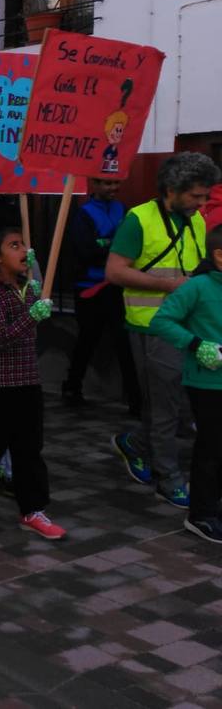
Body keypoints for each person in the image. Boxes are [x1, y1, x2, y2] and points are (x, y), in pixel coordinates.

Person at [108, 152, 220, 508]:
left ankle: (136, 444)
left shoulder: (196, 220)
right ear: (172, 189)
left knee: (182, 405)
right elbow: (114, 272)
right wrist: (170, 287)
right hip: (151, 328)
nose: (203, 204)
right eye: (197, 196)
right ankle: (168, 477)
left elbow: (197, 267)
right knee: (166, 406)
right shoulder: (138, 219)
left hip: (188, 329)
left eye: (206, 196)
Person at [0, 228, 66, 540]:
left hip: (28, 382)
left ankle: (33, 509)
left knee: (30, 450)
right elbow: (0, 337)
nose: (23, 250)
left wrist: (35, 293)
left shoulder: (27, 287)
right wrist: (31, 316)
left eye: (23, 244)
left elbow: (33, 320)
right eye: (14, 246)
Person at [149, 224, 222, 542]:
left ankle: (213, 504)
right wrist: (197, 345)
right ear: (219, 256)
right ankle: (201, 515)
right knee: (211, 448)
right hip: (207, 383)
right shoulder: (198, 286)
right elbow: (161, 321)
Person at [62, 178, 140, 410]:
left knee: (124, 343)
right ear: (93, 185)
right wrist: (115, 246)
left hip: (116, 286)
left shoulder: (123, 210)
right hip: (89, 288)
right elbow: (85, 251)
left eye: (116, 183)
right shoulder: (83, 214)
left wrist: (105, 244)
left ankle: (135, 399)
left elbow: (132, 246)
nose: (113, 188)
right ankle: (72, 386)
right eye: (107, 184)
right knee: (87, 340)